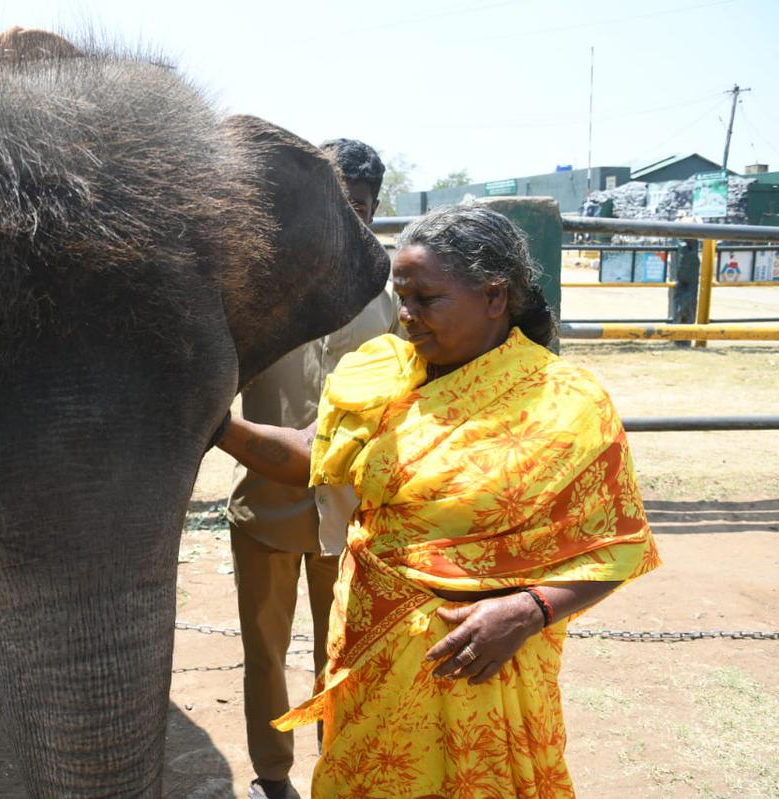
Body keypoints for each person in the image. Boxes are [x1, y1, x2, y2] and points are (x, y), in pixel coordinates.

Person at [216, 204, 660, 798]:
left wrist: (531, 610)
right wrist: (217, 425)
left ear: (495, 296)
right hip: (375, 655)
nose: (406, 317)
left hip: (484, 668)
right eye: (402, 297)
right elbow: (313, 455)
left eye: (426, 299)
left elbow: (618, 548)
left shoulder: (566, 403)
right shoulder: (386, 373)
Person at [226, 138, 400, 799]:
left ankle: (340, 762)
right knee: (264, 654)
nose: (345, 219)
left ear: (375, 209)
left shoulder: (393, 298)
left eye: (357, 205)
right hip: (265, 504)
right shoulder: (259, 289)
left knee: (346, 652)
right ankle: (273, 773)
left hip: (355, 511)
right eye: (333, 202)